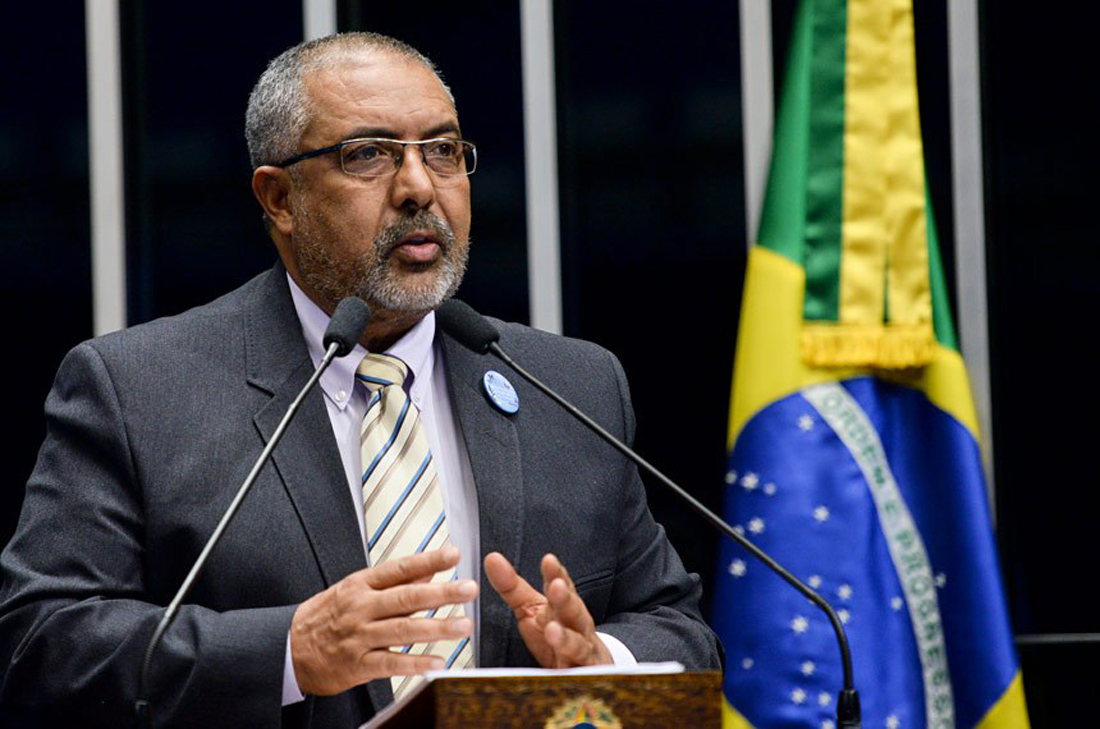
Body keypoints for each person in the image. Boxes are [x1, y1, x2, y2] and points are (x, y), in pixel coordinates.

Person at [0, 32, 720, 727]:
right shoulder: (139, 390)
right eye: (368, 154)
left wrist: (602, 659)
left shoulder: (572, 386)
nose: (418, 187)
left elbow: (679, 630)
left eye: (442, 151)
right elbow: (46, 645)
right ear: (279, 198)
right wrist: (288, 651)